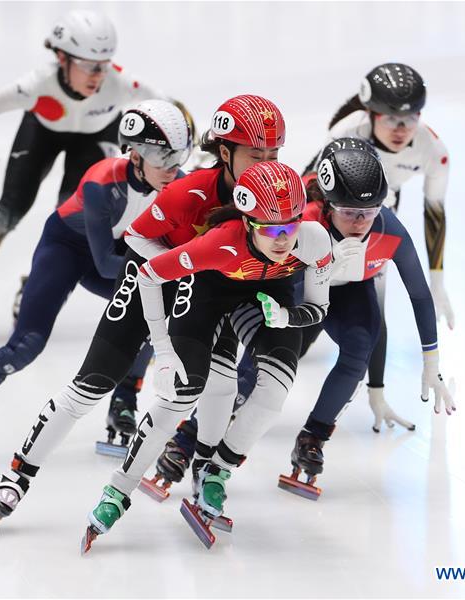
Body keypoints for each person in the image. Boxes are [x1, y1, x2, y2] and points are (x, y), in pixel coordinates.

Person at [0, 95, 286, 539]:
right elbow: (137, 238)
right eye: (257, 154)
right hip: (151, 281)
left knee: (223, 381)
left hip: (209, 294)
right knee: (90, 386)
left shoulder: (276, 193)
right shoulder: (190, 190)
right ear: (225, 151)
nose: (267, 164)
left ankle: (208, 474)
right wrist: (183, 264)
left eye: (274, 154)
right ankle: (17, 478)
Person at [0, 99, 192, 468]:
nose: (173, 169)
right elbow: (104, 263)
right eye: (162, 158)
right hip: (68, 249)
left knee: (154, 315)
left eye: (180, 157)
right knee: (25, 347)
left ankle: (124, 401)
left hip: (119, 252)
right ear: (134, 155)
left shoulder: (178, 184)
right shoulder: (102, 182)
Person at [83, 161, 332, 551]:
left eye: (290, 226)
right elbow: (148, 275)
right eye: (270, 228)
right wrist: (162, 349)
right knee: (181, 393)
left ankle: (217, 471)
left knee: (274, 394)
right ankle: (118, 489)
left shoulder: (315, 240)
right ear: (248, 222)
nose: (283, 239)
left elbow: (318, 308)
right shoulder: (219, 243)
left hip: (268, 300)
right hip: (208, 297)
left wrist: (286, 316)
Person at [0, 9, 189, 333]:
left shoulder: (118, 82)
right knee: (9, 212)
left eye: (104, 66)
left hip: (94, 139)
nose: (98, 76)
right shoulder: (38, 83)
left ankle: (33, 282)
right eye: (90, 66)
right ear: (62, 58)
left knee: (71, 219)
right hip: (41, 135)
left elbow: (174, 110)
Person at [273, 138, 455, 500]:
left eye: (369, 212)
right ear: (326, 206)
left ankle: (313, 437)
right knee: (272, 360)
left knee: (359, 347)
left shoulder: (389, 229)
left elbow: (419, 295)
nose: (359, 221)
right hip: (299, 291)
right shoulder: (303, 222)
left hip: (348, 293)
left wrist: (431, 360)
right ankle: (201, 425)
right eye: (349, 212)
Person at [326, 62, 454, 426]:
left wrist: (438, 282)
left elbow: (435, 213)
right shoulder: (345, 133)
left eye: (411, 118)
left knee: (373, 298)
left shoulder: (434, 150)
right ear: (370, 113)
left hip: (379, 207)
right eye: (389, 118)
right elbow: (319, 195)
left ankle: (376, 393)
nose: (401, 129)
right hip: (341, 206)